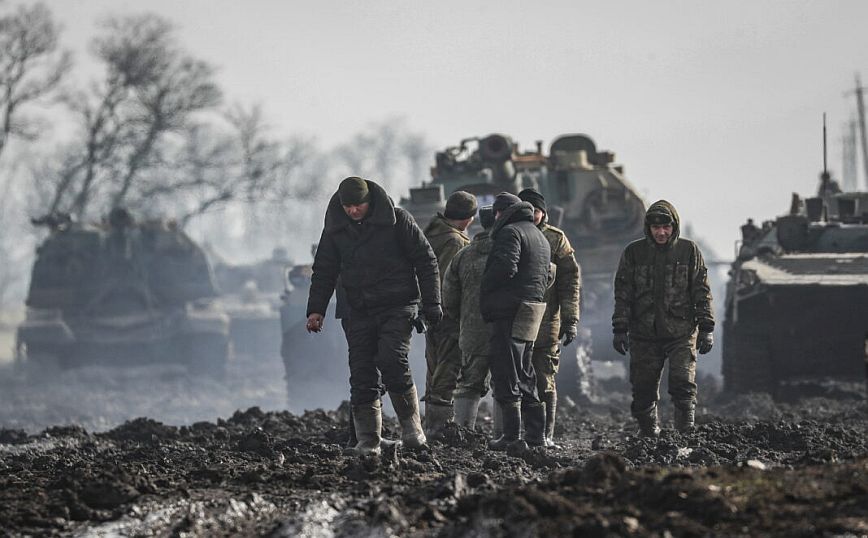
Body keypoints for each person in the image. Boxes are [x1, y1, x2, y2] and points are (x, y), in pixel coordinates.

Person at [306, 176, 442, 455]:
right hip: (357, 309)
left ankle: (413, 430)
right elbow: (324, 269)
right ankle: (369, 441)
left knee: (392, 359)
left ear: (370, 201)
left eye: (359, 205)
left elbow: (426, 261)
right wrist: (316, 309)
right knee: (362, 372)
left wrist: (432, 303)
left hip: (398, 304)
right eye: (348, 207)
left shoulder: (398, 221)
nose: (353, 211)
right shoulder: (335, 229)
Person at [612, 200, 714, 437]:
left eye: (666, 227)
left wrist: (707, 327)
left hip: (681, 330)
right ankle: (648, 434)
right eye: (655, 227)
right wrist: (620, 328)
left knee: (682, 383)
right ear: (648, 228)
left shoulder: (689, 251)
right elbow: (623, 293)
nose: (661, 232)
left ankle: (685, 434)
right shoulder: (634, 253)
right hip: (644, 332)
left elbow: (701, 290)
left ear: (673, 227)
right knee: (643, 388)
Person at [481, 192, 551, 450]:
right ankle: (536, 436)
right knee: (526, 372)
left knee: (506, 372)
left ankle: (511, 436)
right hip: (530, 311)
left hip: (508, 311)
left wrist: (485, 288)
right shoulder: (539, 235)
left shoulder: (510, 233)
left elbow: (505, 268)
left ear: (502, 213)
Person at [517, 189, 581, 448]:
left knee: (544, 379)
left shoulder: (557, 240)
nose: (532, 215)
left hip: (547, 321)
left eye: (536, 210)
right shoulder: (511, 235)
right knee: (518, 380)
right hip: (517, 319)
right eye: (527, 209)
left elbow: (570, 281)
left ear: (543, 212)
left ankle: (546, 435)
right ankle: (523, 434)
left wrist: (571, 319)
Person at [421, 191, 477, 437]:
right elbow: (448, 281)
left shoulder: (432, 234)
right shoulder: (455, 242)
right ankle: (439, 426)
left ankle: (431, 424)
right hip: (449, 314)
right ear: (467, 219)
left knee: (434, 366)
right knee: (448, 366)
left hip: (430, 312)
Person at [442, 206, 495, 429]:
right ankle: (505, 435)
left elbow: (449, 297)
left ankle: (463, 430)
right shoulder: (512, 251)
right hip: (506, 330)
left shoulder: (463, 255)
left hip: (472, 331)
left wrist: (462, 320)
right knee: (506, 384)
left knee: (469, 383)